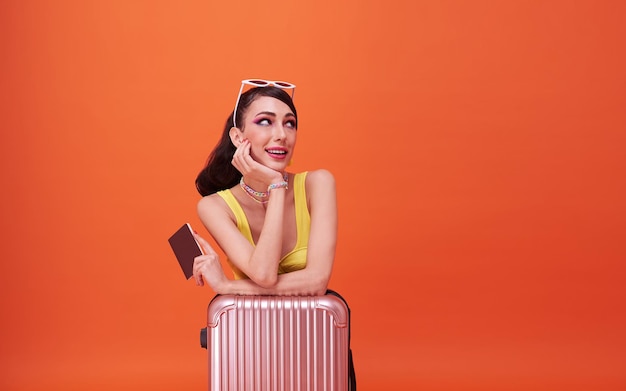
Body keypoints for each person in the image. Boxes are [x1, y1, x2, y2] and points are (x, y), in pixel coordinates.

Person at [191, 79, 337, 296]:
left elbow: (317, 282)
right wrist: (276, 186)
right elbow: (264, 274)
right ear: (238, 138)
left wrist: (227, 286)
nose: (281, 135)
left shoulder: (318, 184)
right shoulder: (213, 207)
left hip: (311, 327)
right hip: (248, 327)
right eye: (265, 121)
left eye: (290, 123)